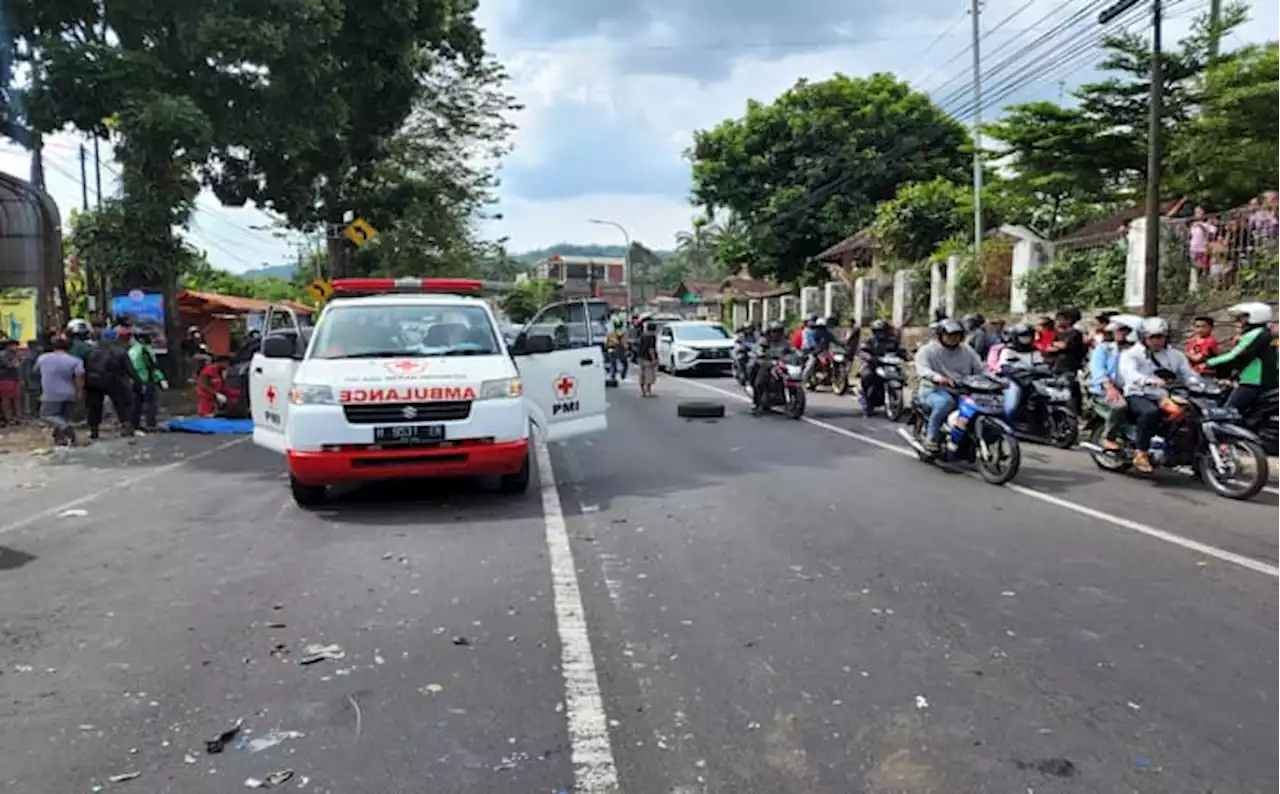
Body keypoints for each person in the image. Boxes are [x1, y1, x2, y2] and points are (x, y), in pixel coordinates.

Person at [1118, 317, 1197, 472]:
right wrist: (1147, 380)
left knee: (1192, 414)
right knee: (1150, 413)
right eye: (1152, 337)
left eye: (1160, 336)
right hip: (1138, 393)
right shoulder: (1131, 354)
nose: (1157, 341)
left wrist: (1199, 382)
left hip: (1164, 395)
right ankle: (1141, 453)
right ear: (1143, 337)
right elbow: (1130, 375)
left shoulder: (1175, 355)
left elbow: (1188, 373)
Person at [914, 318, 986, 454]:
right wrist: (938, 378)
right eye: (950, 335)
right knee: (945, 403)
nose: (953, 338)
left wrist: (993, 378)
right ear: (941, 335)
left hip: (962, 390)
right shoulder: (928, 351)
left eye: (957, 335)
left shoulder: (967, 351)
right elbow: (923, 369)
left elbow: (980, 368)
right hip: (933, 390)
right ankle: (932, 438)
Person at [1206, 302, 1276, 413]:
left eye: (1241, 318)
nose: (1238, 322)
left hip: (1252, 382)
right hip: (1266, 381)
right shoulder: (1266, 333)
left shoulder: (1254, 334)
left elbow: (1234, 356)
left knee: (1226, 414)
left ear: (1254, 318)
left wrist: (1208, 363)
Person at [1088, 314, 1140, 450]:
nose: (1117, 333)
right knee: (1119, 406)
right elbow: (1098, 370)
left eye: (1122, 330)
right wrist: (1109, 387)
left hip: (1133, 390)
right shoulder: (1105, 349)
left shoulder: (1140, 352)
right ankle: (1108, 437)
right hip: (1105, 391)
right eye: (1118, 330)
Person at [84, 324, 136, 439]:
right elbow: (129, 368)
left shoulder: (92, 350)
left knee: (94, 406)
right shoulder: (120, 351)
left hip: (94, 382)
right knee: (122, 404)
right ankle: (126, 426)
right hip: (115, 381)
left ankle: (94, 430)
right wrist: (137, 380)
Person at [34, 337, 85, 445]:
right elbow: (79, 378)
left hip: (50, 393)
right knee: (63, 417)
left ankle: (66, 429)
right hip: (70, 393)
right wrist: (80, 392)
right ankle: (61, 438)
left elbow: (36, 372)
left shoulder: (43, 358)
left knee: (46, 415)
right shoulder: (75, 360)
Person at [995, 322, 1043, 420]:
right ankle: (1006, 422)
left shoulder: (1034, 350)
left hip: (1032, 380)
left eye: (1029, 336)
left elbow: (1040, 364)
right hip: (1013, 381)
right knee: (1012, 405)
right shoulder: (1008, 350)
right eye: (1023, 336)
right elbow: (1005, 367)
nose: (1026, 339)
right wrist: (1017, 371)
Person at [857, 319, 905, 415]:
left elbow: (901, 351)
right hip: (874, 365)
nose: (881, 333)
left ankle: (894, 399)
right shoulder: (871, 341)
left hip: (890, 365)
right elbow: (862, 351)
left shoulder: (893, 341)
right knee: (867, 375)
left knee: (902, 374)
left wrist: (907, 356)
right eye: (878, 331)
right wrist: (868, 357)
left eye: (883, 331)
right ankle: (866, 399)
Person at [1048, 310, 1087, 414]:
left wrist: (1058, 345)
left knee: (1071, 393)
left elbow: (1065, 346)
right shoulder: (1058, 334)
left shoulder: (1075, 334)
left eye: (1060, 319)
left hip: (1070, 368)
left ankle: (1074, 414)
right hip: (1057, 367)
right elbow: (1049, 347)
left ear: (1068, 320)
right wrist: (1057, 345)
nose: (1057, 322)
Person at [128, 331, 168, 431]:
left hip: (135, 379)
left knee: (137, 403)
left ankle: (135, 424)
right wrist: (161, 378)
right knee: (151, 402)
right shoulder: (144, 350)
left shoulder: (132, 350)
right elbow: (152, 366)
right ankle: (151, 424)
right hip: (147, 378)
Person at [751, 320, 792, 413]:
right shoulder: (764, 341)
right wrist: (760, 353)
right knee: (759, 383)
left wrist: (798, 354)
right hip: (767, 363)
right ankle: (756, 403)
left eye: (778, 331)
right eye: (774, 331)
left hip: (782, 364)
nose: (776, 334)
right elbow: (758, 349)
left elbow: (792, 350)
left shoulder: (785, 342)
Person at [0, 338, 20, 425]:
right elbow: (9, 365)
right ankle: (9, 418)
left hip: (13, 378)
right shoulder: (3, 355)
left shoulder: (13, 354)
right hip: (5, 379)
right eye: (14, 345)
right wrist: (16, 361)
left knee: (15, 398)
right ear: (8, 346)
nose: (16, 347)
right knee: (6, 399)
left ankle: (16, 417)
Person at [636, 321, 658, 397]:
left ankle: (643, 392)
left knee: (642, 375)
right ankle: (648, 391)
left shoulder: (642, 335)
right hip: (648, 358)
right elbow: (651, 349)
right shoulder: (652, 337)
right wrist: (654, 359)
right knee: (649, 375)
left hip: (640, 357)